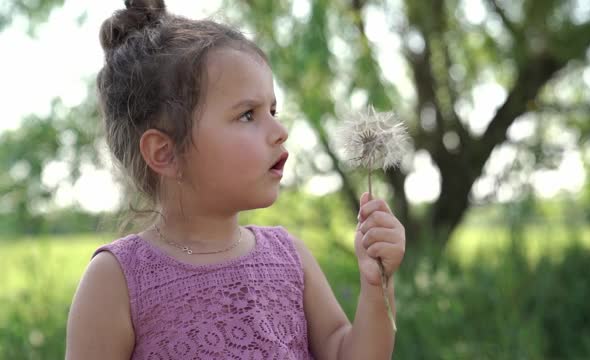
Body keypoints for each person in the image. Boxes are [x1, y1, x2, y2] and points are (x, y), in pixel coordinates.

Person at [65, 1, 405, 359]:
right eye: (247, 115)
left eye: (273, 111)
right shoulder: (116, 282)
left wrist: (375, 283)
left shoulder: (289, 258)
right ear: (165, 153)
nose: (280, 131)